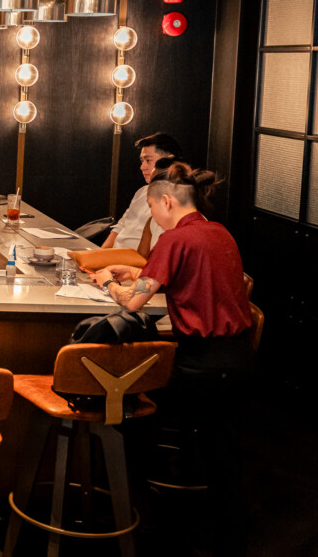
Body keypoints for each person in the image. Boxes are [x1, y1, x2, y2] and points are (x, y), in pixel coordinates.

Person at [90, 162, 253, 557]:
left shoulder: (174, 239)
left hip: (199, 367)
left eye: (152, 209)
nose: (153, 218)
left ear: (166, 201)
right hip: (239, 362)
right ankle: (230, 540)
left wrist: (107, 280)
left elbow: (133, 303)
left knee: (132, 409)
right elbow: (193, 279)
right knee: (225, 454)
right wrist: (136, 274)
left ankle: (134, 510)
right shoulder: (220, 233)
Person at [102, 132, 182, 252]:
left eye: (148, 160)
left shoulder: (175, 200)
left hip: (134, 260)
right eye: (142, 161)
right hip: (114, 255)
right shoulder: (141, 191)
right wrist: (99, 253)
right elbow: (121, 226)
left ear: (168, 161)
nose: (142, 167)